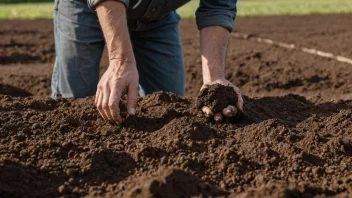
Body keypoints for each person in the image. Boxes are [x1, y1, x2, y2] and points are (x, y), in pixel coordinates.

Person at [51, 0, 244, 124]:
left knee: (168, 107)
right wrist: (120, 59)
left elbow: (217, 6)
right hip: (86, 7)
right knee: (75, 105)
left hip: (157, 15)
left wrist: (214, 80)